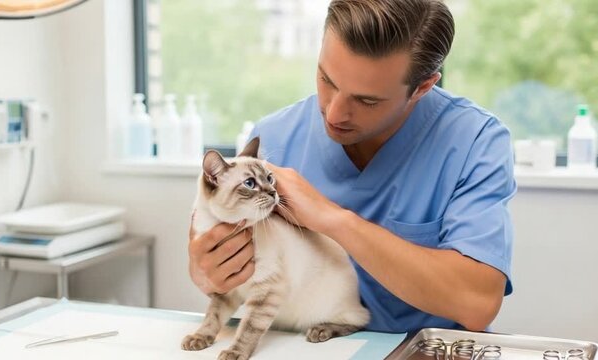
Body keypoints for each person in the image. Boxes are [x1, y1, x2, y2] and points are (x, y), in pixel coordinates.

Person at [188, 0, 516, 333]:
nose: (333, 114)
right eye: (326, 79)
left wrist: (334, 219)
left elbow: (477, 303)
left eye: (366, 100)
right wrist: (207, 270)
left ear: (423, 87)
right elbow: (211, 263)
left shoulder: (476, 141)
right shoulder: (273, 138)